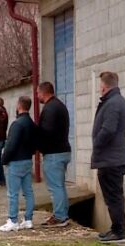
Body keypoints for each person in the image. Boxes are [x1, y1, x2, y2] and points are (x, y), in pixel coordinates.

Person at [92, 71, 125, 243]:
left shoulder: (113, 104)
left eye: (100, 85)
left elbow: (108, 129)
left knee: (113, 197)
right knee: (113, 196)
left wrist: (97, 144)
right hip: (113, 158)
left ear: (104, 86)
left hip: (111, 159)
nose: (99, 89)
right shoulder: (116, 101)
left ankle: (119, 231)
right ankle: (116, 229)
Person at [0, 96, 38, 232]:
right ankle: (28, 219)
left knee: (13, 193)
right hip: (27, 160)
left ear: (18, 106)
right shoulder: (32, 124)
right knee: (28, 191)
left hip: (15, 162)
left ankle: (13, 220)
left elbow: (11, 145)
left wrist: (4, 159)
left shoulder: (17, 124)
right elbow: (35, 143)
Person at [36, 82, 72, 227]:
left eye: (38, 93)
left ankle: (60, 216)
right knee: (60, 186)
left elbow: (46, 132)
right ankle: (62, 214)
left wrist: (39, 145)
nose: (37, 96)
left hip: (54, 153)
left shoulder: (50, 108)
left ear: (43, 92)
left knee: (55, 187)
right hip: (63, 150)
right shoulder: (60, 106)